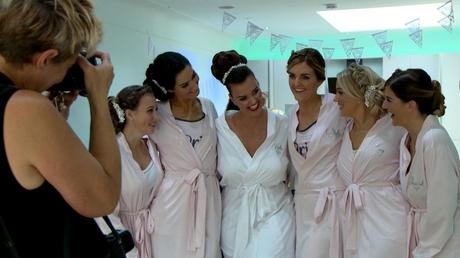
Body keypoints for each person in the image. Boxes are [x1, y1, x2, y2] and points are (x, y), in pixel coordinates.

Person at [0, 0, 120, 258]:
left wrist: (55, 120)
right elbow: (103, 198)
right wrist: (99, 99)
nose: (63, 78)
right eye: (67, 67)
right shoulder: (24, 108)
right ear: (46, 58)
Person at [211, 50, 295, 258]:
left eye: (255, 91)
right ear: (232, 99)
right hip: (234, 217)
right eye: (243, 98)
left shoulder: (283, 125)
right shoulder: (219, 128)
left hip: (276, 213)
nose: (253, 101)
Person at [143, 51, 221, 258]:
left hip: (209, 196)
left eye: (194, 76)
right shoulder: (158, 115)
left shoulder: (209, 107)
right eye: (185, 85)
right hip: (172, 202)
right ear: (169, 89)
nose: (194, 86)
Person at [383, 68, 460, 258]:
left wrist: (424, 252)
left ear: (411, 105)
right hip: (422, 241)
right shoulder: (406, 141)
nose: (384, 106)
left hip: (445, 245)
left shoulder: (435, 141)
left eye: (389, 100)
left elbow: (441, 211)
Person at [334, 63, 409, 258]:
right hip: (353, 224)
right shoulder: (345, 130)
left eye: (341, 93)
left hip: (388, 222)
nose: (336, 99)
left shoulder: (394, 127)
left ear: (357, 95)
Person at [286, 48, 347, 258]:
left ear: (319, 80)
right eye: (292, 76)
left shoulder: (337, 107)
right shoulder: (290, 116)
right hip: (303, 205)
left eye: (305, 77)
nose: (296, 83)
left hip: (333, 202)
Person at [100, 85, 163, 258]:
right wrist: (126, 249)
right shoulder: (112, 153)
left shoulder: (151, 145)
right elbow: (105, 212)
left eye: (156, 109)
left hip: (152, 235)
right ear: (129, 114)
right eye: (150, 111)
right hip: (126, 238)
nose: (156, 117)